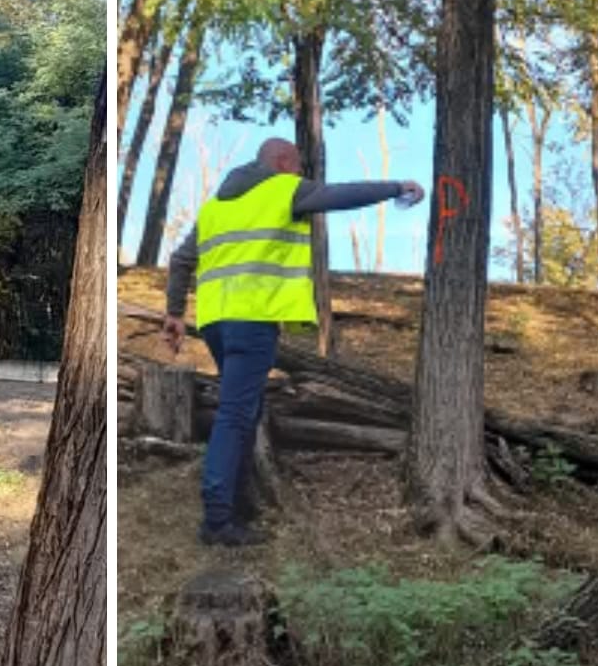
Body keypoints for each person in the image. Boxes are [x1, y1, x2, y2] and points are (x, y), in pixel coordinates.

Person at [162, 137, 424, 546]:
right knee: (235, 414)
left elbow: (180, 259)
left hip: (215, 322)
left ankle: (238, 505)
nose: (303, 173)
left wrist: (175, 314)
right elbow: (339, 195)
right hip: (253, 321)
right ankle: (216, 521)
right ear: (284, 161)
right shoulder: (284, 187)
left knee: (245, 413)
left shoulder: (216, 207)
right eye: (299, 165)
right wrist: (396, 187)